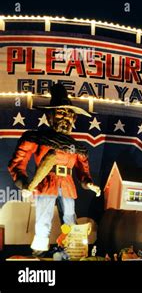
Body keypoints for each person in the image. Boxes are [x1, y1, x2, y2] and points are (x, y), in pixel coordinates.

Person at [8, 83, 101, 256]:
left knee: (70, 218)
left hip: (67, 185)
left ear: (74, 119)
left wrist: (90, 184)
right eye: (60, 113)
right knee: (44, 218)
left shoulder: (77, 147)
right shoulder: (37, 138)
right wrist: (24, 183)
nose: (65, 118)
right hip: (45, 183)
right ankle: (39, 249)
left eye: (69, 114)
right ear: (50, 116)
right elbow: (17, 162)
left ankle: (73, 250)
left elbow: (83, 172)